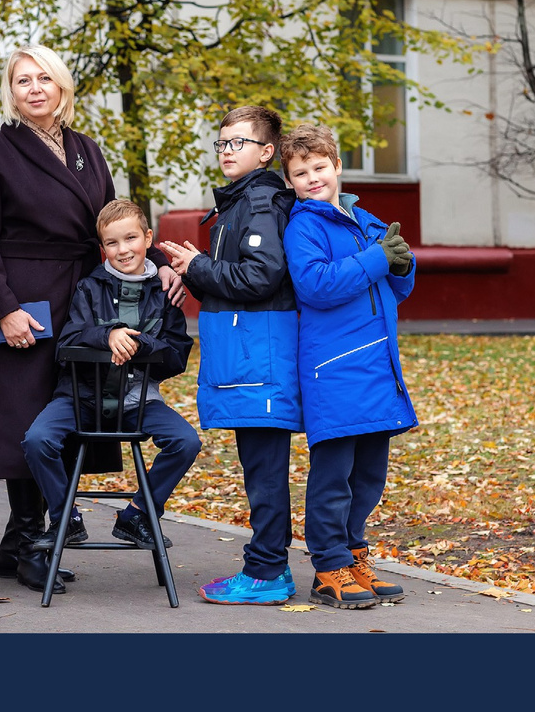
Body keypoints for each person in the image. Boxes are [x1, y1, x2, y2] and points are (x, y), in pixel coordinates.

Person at [0, 43, 184, 590]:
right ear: (11, 93)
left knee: (74, 408)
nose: (34, 88)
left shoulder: (86, 150)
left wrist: (155, 264)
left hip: (85, 296)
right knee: (25, 418)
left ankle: (18, 540)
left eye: (43, 79)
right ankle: (35, 540)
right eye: (22, 81)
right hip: (24, 300)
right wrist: (3, 310)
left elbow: (108, 225)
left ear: (62, 87)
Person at [155, 103, 303, 602]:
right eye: (221, 143)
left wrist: (197, 266)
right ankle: (268, 568)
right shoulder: (240, 203)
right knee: (259, 466)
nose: (226, 151)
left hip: (258, 358)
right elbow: (233, 282)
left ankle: (267, 573)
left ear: (266, 152)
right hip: (246, 356)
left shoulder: (259, 202)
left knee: (263, 470)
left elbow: (261, 277)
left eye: (237, 142)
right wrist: (190, 273)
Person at [18, 200, 203, 590]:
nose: (123, 250)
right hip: (81, 398)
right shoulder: (90, 286)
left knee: (186, 441)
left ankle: (137, 514)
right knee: (37, 439)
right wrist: (108, 335)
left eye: (131, 238)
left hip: (139, 401)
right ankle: (65, 519)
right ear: (103, 248)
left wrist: (141, 345)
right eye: (112, 243)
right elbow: (68, 340)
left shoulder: (165, 290)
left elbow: (177, 353)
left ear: (148, 238)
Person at [282, 122, 417, 610]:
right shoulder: (305, 226)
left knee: (368, 475)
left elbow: (396, 287)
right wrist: (380, 260)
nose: (313, 178)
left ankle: (355, 550)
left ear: (337, 166)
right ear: (291, 181)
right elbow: (316, 285)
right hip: (334, 370)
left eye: (320, 167)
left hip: (377, 368)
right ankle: (328, 566)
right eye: (301, 173)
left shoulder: (365, 218)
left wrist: (402, 265)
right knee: (333, 475)